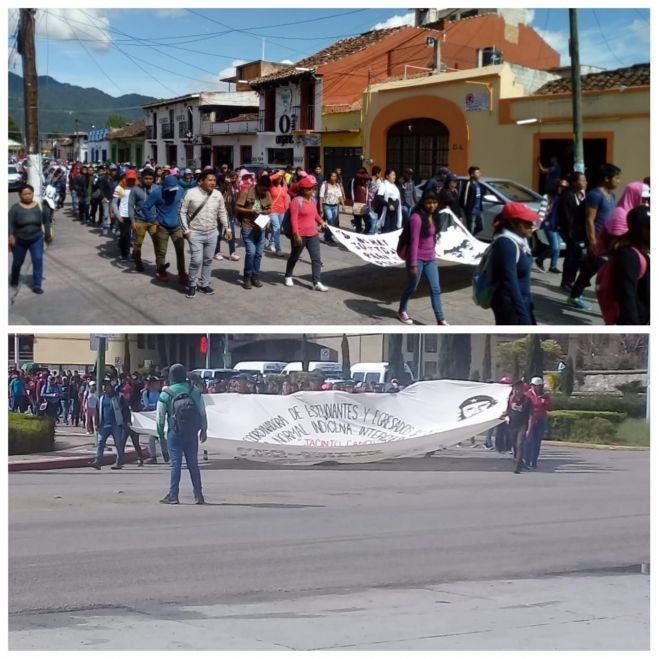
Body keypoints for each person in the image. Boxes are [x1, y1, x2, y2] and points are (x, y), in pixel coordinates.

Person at [566, 163, 621, 310]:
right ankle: (574, 296)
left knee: (594, 269)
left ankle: (576, 294)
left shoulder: (611, 195)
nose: (618, 181)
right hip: (597, 240)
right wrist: (592, 242)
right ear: (606, 178)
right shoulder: (595, 195)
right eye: (616, 178)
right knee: (590, 269)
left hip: (608, 240)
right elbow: (589, 219)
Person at [157, 364, 207, 505]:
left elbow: (160, 419)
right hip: (191, 432)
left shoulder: (166, 394)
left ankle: (173, 495)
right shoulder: (194, 391)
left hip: (175, 433)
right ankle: (198, 495)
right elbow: (202, 413)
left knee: (176, 464)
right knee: (193, 464)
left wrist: (161, 437)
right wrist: (204, 430)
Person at [397, 191, 448, 325]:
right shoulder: (416, 218)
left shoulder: (436, 216)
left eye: (434, 202)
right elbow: (413, 242)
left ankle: (440, 320)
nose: (432, 206)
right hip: (416, 259)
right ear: (423, 203)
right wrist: (413, 264)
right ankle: (402, 310)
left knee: (436, 289)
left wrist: (433, 253)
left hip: (430, 259)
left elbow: (433, 237)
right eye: (429, 203)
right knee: (412, 287)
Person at [179, 170, 231, 299]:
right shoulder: (190, 193)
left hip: (212, 233)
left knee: (208, 260)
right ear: (201, 181)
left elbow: (222, 212)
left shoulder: (218, 194)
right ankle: (192, 284)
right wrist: (186, 230)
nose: (213, 182)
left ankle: (204, 284)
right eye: (210, 180)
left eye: (214, 180)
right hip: (195, 233)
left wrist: (227, 228)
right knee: (196, 260)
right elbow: (181, 212)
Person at [596, 205, 650, 324]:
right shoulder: (629, 255)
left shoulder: (644, 252)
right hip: (635, 322)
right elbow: (626, 296)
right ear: (642, 230)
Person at [489, 202, 540, 325]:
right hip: (510, 307)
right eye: (527, 221)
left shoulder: (521, 241)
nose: (531, 225)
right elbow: (510, 283)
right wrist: (522, 315)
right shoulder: (506, 244)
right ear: (513, 223)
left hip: (523, 303)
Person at [142, 174, 188, 286]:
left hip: (177, 227)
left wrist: (187, 224)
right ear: (164, 186)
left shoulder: (181, 190)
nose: (172, 191)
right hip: (162, 227)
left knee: (180, 251)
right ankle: (161, 271)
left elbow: (187, 206)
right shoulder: (157, 193)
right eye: (169, 189)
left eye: (174, 189)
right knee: (161, 252)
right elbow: (145, 207)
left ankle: (182, 273)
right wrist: (152, 219)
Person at [284, 175, 329, 291]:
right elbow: (293, 219)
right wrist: (296, 234)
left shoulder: (313, 200)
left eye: (313, 188)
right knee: (294, 256)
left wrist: (321, 222)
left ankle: (316, 282)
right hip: (300, 235)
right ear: (303, 190)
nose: (313, 191)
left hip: (313, 234)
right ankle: (288, 275)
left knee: (316, 259)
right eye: (310, 189)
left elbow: (315, 215)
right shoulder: (296, 201)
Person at [9, 184, 53, 294]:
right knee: (18, 262)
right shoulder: (15, 208)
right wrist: (10, 236)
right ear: (20, 195)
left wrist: (48, 235)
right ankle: (14, 278)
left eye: (30, 193)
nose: (28, 196)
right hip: (19, 240)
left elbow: (46, 221)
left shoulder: (40, 206)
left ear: (33, 193)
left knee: (38, 260)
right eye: (25, 194)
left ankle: (37, 285)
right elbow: (9, 224)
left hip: (36, 238)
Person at [236, 174, 273, 290]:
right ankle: (247, 277)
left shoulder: (267, 194)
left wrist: (267, 212)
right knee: (251, 252)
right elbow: (237, 207)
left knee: (258, 254)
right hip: (248, 226)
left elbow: (269, 208)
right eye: (263, 189)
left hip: (261, 227)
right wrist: (250, 211)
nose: (264, 191)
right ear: (258, 184)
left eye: (266, 190)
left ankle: (255, 276)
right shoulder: (247, 192)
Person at [556, 171, 587, 292]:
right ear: (574, 182)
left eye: (585, 180)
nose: (585, 182)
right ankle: (566, 281)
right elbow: (566, 215)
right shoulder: (567, 195)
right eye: (582, 180)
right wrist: (570, 230)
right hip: (570, 231)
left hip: (578, 231)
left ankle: (571, 280)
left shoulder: (580, 194)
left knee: (576, 255)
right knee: (571, 255)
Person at [91, 381, 130, 470]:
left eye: (107, 386)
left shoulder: (118, 397)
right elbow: (96, 411)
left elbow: (125, 409)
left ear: (111, 387)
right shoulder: (101, 398)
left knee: (118, 444)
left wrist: (127, 421)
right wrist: (96, 423)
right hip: (104, 424)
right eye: (103, 386)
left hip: (116, 424)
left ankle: (119, 462)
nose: (104, 388)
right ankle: (98, 461)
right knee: (100, 443)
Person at [128, 168, 157, 272]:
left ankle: (160, 265)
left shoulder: (157, 189)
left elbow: (161, 204)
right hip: (139, 221)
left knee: (158, 243)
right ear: (141, 178)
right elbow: (130, 206)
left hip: (153, 221)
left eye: (150, 178)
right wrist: (132, 221)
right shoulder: (135, 190)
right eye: (146, 178)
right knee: (137, 245)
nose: (148, 180)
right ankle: (138, 263)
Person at [504, 380, 534, 474]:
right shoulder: (510, 399)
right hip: (512, 425)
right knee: (515, 446)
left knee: (520, 445)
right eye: (516, 389)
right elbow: (508, 410)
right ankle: (518, 461)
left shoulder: (527, 400)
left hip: (522, 426)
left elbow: (531, 416)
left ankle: (517, 466)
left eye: (519, 389)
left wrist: (529, 429)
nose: (517, 391)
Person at [112, 169, 139, 261]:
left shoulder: (137, 188)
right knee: (125, 235)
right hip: (123, 215)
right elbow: (114, 203)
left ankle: (133, 253)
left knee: (135, 237)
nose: (131, 181)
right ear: (125, 178)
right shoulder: (119, 188)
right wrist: (117, 215)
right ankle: (125, 254)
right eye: (129, 179)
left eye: (133, 179)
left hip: (135, 215)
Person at [524, 376, 551, 469]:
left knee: (536, 442)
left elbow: (550, 408)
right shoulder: (527, 395)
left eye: (538, 386)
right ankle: (526, 460)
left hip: (540, 420)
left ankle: (534, 461)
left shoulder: (545, 396)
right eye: (534, 385)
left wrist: (545, 402)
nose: (536, 387)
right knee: (529, 441)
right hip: (529, 420)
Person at [319, 170, 345, 244]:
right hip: (327, 205)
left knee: (332, 222)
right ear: (329, 177)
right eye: (332, 176)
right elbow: (321, 196)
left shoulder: (337, 185)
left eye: (335, 176)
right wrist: (321, 207)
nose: (334, 177)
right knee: (330, 220)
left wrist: (343, 205)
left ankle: (327, 235)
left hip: (335, 206)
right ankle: (329, 237)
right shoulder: (325, 185)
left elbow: (340, 195)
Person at [267, 170, 289, 256]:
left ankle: (271, 243)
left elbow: (285, 200)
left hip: (282, 211)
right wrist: (277, 174)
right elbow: (267, 179)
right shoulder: (270, 185)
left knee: (277, 229)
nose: (280, 178)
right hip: (273, 211)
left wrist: (287, 210)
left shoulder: (283, 187)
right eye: (278, 177)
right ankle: (278, 249)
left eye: (281, 177)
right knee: (276, 228)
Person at [375, 169, 403, 233]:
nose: (394, 176)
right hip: (387, 212)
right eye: (392, 175)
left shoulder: (395, 186)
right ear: (387, 176)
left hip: (395, 213)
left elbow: (397, 198)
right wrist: (389, 205)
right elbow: (379, 197)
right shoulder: (383, 184)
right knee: (386, 231)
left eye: (395, 175)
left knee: (393, 231)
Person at [459, 165, 484, 236]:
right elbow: (463, 199)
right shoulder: (468, 184)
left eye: (479, 173)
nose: (479, 174)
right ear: (472, 174)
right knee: (470, 229)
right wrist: (465, 210)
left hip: (478, 210)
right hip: (471, 211)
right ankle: (469, 240)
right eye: (477, 173)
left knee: (481, 227)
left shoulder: (478, 184)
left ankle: (471, 237)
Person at [350, 167, 370, 233]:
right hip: (358, 205)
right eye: (364, 178)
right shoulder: (356, 183)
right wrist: (370, 177)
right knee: (358, 226)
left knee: (368, 223)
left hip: (364, 206)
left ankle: (364, 234)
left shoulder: (365, 186)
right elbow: (357, 175)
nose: (366, 180)